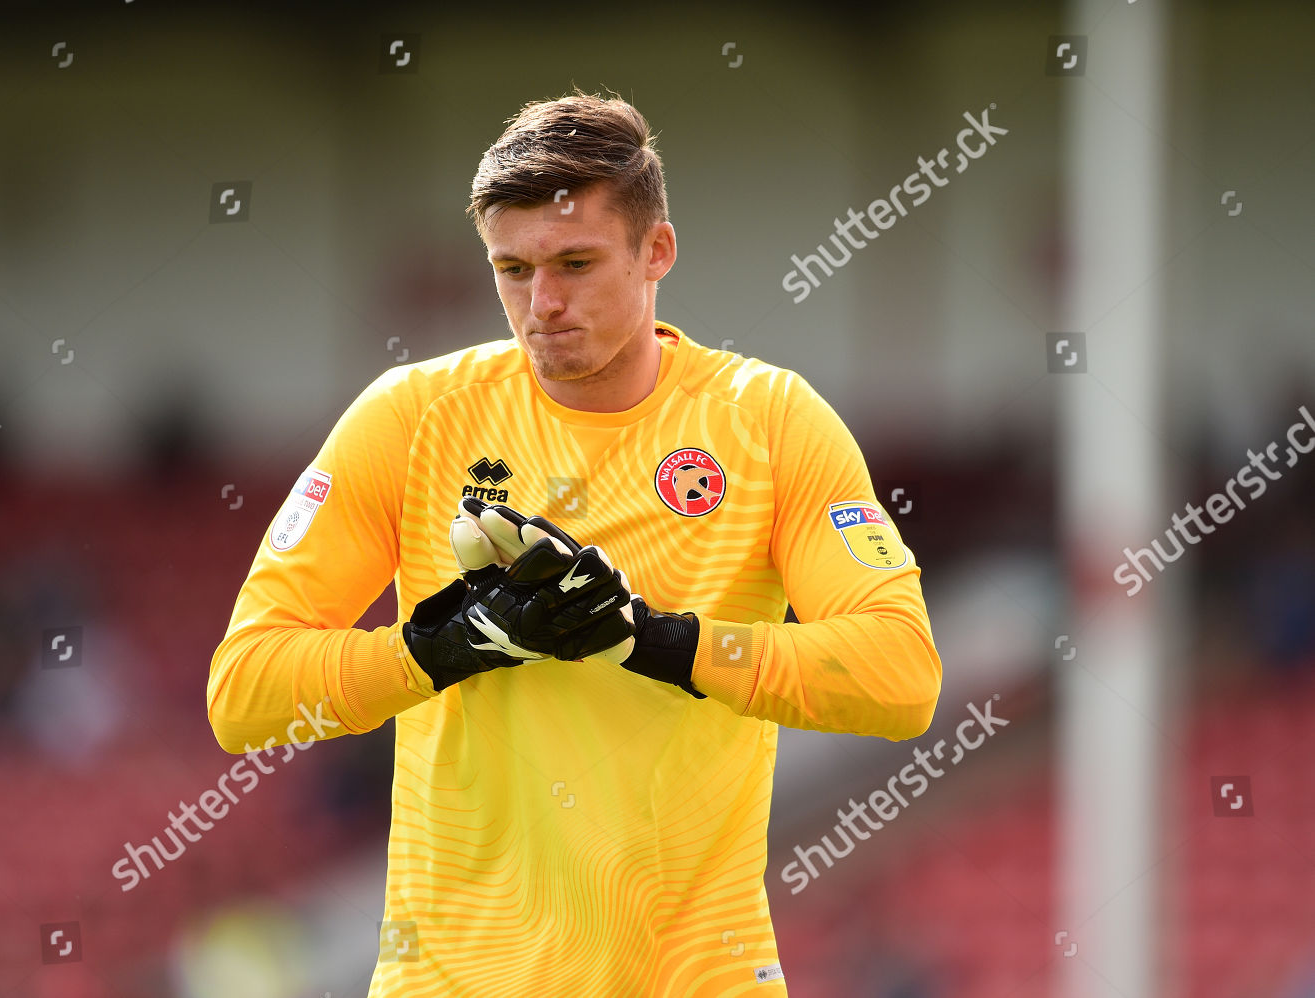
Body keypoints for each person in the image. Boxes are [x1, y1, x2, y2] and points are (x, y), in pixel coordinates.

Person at [207, 88, 943, 997]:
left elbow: (902, 678)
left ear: (656, 252)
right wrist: (437, 651)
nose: (542, 302)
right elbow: (242, 694)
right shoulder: (409, 418)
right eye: (511, 270)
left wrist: (659, 643)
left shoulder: (770, 422)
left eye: (577, 263)